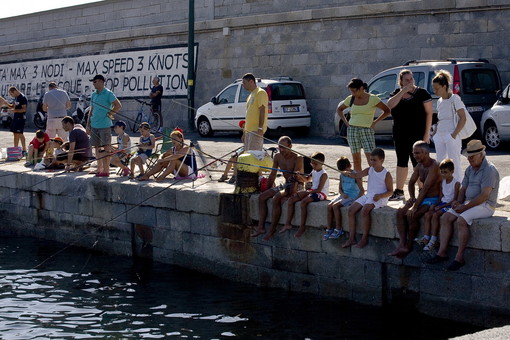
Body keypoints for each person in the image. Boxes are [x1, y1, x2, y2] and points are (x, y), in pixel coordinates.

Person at [427, 140, 499, 271]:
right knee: (447, 216)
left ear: (481, 155)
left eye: (472, 156)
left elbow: (484, 196)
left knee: (461, 220)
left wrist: (464, 207)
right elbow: (463, 189)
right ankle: (441, 253)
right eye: (468, 156)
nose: (469, 159)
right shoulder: (470, 169)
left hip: (486, 205)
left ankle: (459, 257)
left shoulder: (489, 170)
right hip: (469, 203)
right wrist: (458, 202)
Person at [385, 70, 433, 201]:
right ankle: (399, 191)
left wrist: (427, 134)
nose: (409, 82)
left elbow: (429, 113)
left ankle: (423, 190)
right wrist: (402, 91)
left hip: (417, 133)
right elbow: (389, 105)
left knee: (418, 162)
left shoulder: (422, 93)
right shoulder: (396, 94)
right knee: (401, 161)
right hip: (400, 133)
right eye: (406, 80)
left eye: (411, 79)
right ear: (400, 81)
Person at [388, 141, 441, 258]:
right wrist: (412, 198)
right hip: (422, 197)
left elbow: (426, 187)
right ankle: (401, 243)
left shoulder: (434, 166)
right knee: (400, 212)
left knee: (413, 214)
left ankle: (409, 244)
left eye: (417, 153)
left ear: (426, 153)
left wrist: (415, 206)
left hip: (433, 198)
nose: (415, 156)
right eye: (414, 153)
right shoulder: (419, 166)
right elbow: (411, 183)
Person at [250, 136, 304, 240]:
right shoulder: (278, 157)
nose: (281, 150)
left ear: (290, 146)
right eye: (280, 147)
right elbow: (272, 175)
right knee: (262, 197)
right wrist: (268, 189)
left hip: (296, 185)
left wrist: (290, 194)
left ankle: (272, 230)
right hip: (286, 184)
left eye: (284, 147)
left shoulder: (298, 158)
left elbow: (295, 178)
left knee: (276, 198)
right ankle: (260, 227)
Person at [341, 148, 393, 248]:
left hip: (380, 197)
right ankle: (351, 239)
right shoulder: (369, 169)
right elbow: (357, 175)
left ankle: (364, 239)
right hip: (369, 195)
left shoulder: (386, 174)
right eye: (370, 160)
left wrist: (380, 196)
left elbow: (390, 191)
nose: (372, 162)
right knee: (351, 210)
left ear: (381, 160)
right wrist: (348, 173)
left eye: (374, 160)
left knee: (365, 210)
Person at [336, 78, 391, 172]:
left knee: (372, 160)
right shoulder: (351, 98)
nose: (353, 93)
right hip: (352, 130)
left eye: (354, 91)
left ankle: (374, 181)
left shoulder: (373, 98)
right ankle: (359, 184)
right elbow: (339, 109)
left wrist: (375, 122)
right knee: (356, 160)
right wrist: (346, 122)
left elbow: (387, 111)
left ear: (361, 88)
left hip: (366, 130)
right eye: (351, 91)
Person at [281, 152, 329, 238]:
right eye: (312, 163)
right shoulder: (313, 171)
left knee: (304, 202)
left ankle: (302, 227)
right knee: (292, 199)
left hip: (321, 193)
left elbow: (319, 189)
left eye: (315, 164)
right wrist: (299, 176)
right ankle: (287, 223)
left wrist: (306, 192)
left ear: (322, 163)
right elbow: (307, 180)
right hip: (312, 190)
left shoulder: (323, 174)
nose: (313, 165)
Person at [431, 70, 467, 180]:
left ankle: (457, 189)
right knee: (440, 163)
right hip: (440, 135)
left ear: (444, 86)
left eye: (437, 88)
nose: (435, 91)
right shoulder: (439, 101)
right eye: (434, 88)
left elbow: (463, 117)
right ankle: (443, 189)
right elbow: (440, 118)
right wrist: (436, 132)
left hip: (451, 134)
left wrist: (454, 134)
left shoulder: (455, 98)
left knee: (454, 162)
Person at [86, 75, 122, 177]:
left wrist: (110, 113)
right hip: (94, 125)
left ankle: (106, 170)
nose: (94, 83)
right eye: (93, 82)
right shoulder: (94, 95)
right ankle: (99, 168)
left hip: (104, 125)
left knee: (106, 147)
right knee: (97, 147)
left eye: (95, 81)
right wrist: (88, 125)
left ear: (101, 82)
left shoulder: (108, 93)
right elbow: (91, 110)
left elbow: (118, 105)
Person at [421, 159, 460, 251]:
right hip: (442, 204)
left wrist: (441, 207)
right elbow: (441, 197)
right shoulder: (442, 182)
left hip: (450, 205)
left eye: (445, 172)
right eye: (441, 172)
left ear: (452, 171)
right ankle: (426, 237)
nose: (443, 174)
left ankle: (433, 240)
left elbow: (455, 200)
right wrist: (435, 204)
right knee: (427, 214)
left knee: (435, 215)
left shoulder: (456, 184)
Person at [323, 157, 364, 241]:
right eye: (342, 171)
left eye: (346, 170)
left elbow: (362, 191)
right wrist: (342, 194)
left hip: (352, 196)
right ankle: (329, 228)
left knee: (335, 206)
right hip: (344, 195)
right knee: (329, 206)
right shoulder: (341, 175)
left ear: (350, 166)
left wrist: (356, 200)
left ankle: (338, 228)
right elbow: (340, 189)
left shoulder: (355, 176)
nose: (345, 173)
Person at [241, 73, 268, 151]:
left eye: (244, 83)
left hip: (256, 130)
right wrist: (244, 133)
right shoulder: (250, 96)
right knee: (247, 155)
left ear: (251, 82)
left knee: (254, 155)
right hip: (248, 131)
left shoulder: (260, 92)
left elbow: (262, 110)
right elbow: (248, 115)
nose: (243, 85)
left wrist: (260, 128)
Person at [5, 86, 27, 155]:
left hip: (20, 118)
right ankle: (19, 149)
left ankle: (20, 149)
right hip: (16, 118)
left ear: (14, 91)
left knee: (19, 134)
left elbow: (24, 109)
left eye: (11, 94)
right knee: (17, 134)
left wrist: (14, 111)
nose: (11, 96)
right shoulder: (16, 98)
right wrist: (5, 103)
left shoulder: (22, 98)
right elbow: (12, 106)